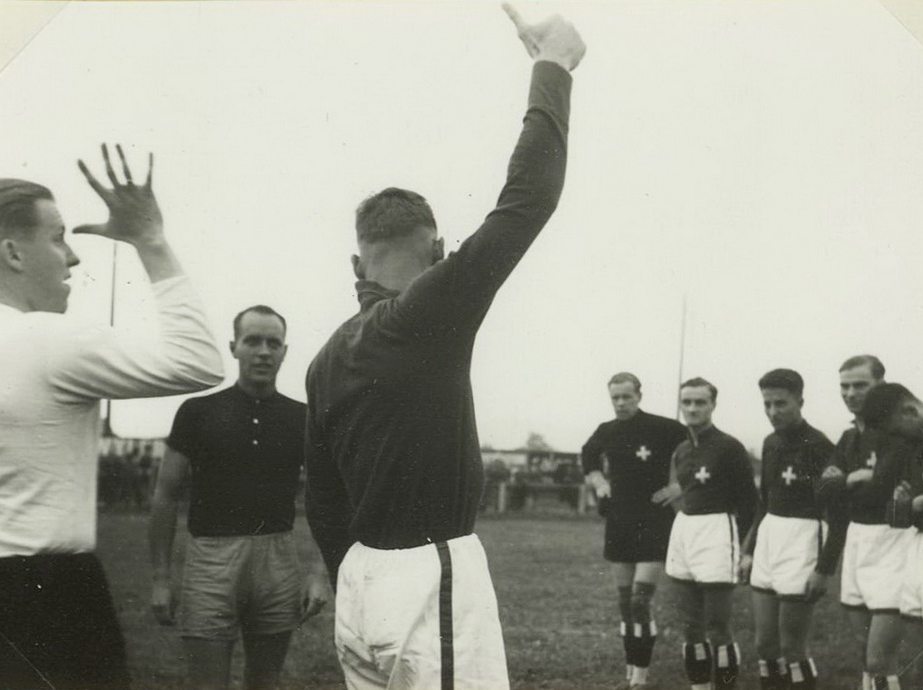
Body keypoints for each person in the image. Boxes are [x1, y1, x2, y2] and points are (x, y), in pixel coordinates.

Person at [303, 7, 585, 689]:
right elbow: (528, 200)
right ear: (435, 249)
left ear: (355, 263)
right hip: (428, 570)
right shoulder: (423, 313)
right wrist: (552, 69)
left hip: (361, 578)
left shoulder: (323, 358)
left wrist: (354, 571)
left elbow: (323, 498)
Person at [0, 145, 224, 690]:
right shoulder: (44, 338)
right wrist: (150, 241)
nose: (73, 257)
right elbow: (200, 362)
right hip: (46, 596)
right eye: (58, 236)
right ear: (13, 253)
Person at [149, 305, 330, 690]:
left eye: (273, 343)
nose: (263, 351)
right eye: (252, 341)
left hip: (277, 561)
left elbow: (325, 496)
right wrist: (162, 578)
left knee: (264, 683)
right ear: (234, 347)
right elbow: (165, 495)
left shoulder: (303, 417)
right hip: (210, 561)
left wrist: (318, 574)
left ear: (284, 351)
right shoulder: (197, 411)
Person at [581, 372, 688, 688]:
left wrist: (678, 487)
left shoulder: (663, 427)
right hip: (620, 520)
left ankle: (640, 675)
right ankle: (632, 665)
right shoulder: (607, 430)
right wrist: (599, 482)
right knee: (625, 603)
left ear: (639, 396)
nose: (621, 403)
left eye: (627, 396)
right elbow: (587, 457)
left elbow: (699, 450)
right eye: (615, 397)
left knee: (641, 602)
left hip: (654, 520)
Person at [739, 369, 841, 690]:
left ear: (800, 400)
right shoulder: (769, 443)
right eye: (767, 404)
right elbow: (763, 502)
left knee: (792, 649)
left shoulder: (820, 446)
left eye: (780, 404)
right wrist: (748, 550)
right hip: (770, 537)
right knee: (764, 646)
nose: (773, 412)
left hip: (803, 539)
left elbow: (837, 514)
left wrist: (823, 569)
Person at [818, 355, 912, 690]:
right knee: (865, 656)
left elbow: (879, 490)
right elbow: (822, 489)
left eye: (861, 385)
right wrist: (852, 479)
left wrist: (843, 481)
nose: (851, 392)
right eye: (845, 386)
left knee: (879, 659)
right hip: (857, 540)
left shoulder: (897, 433)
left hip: (892, 540)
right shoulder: (847, 438)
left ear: (881, 386)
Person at [860, 382, 923, 690]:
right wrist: (908, 505)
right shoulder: (914, 445)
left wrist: (916, 502)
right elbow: (896, 515)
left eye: (897, 430)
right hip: (918, 550)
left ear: (909, 410)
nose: (897, 439)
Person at [664, 377, 758, 690]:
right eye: (687, 402)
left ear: (712, 405)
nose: (692, 408)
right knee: (691, 627)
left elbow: (749, 501)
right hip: (685, 532)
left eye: (700, 402)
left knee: (718, 627)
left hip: (718, 532)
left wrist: (746, 549)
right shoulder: (679, 450)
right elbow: (680, 494)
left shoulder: (729, 447)